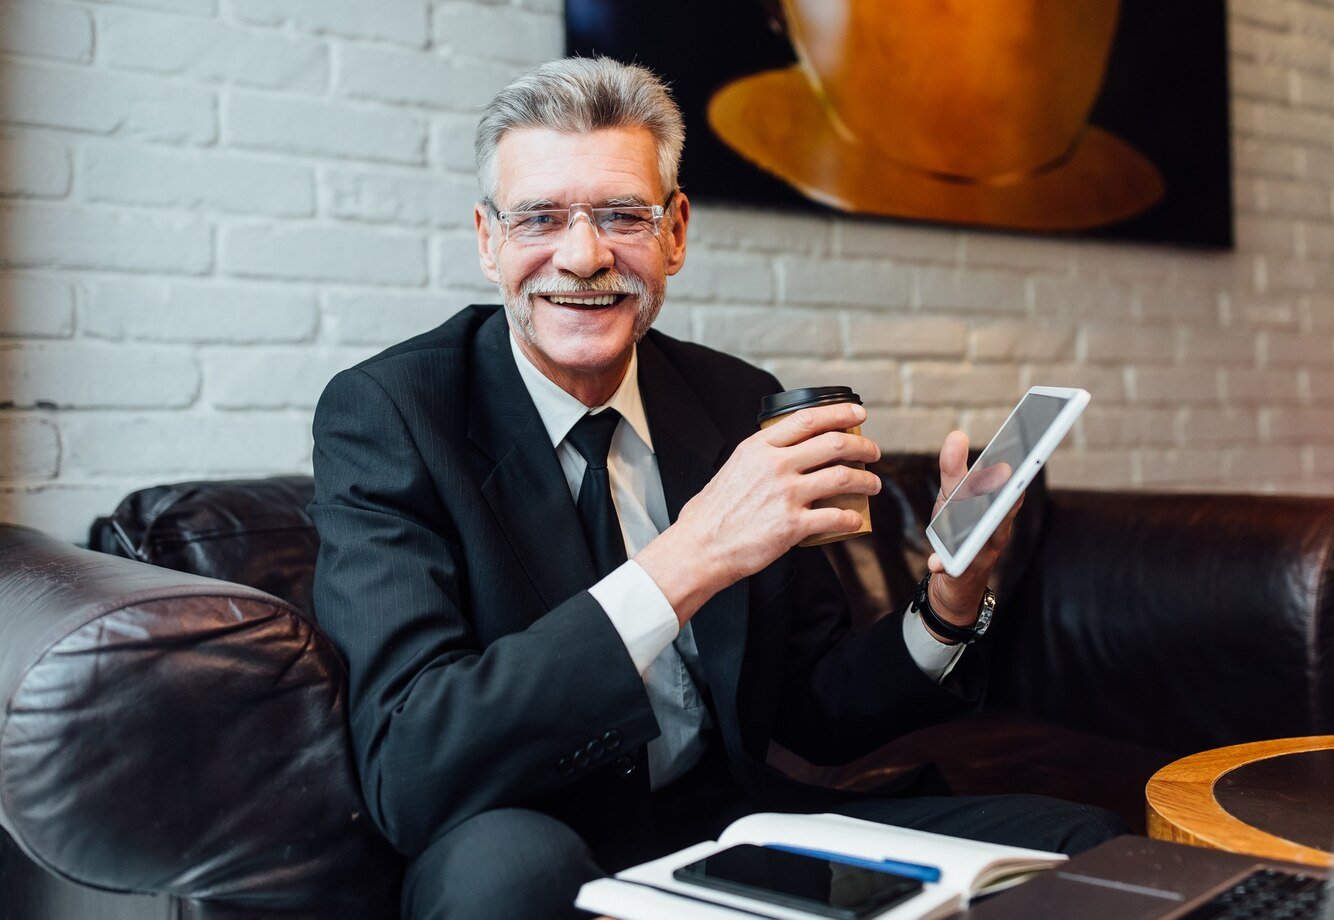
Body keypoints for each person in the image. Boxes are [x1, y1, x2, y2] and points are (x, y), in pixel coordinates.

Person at [309, 56, 1126, 920]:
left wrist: (950, 601)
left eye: (623, 215)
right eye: (540, 218)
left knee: (1090, 847)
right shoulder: (390, 413)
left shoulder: (732, 401)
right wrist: (692, 554)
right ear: (488, 240)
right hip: (523, 833)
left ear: (675, 233)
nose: (583, 256)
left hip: (726, 821)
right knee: (510, 875)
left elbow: (815, 709)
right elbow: (410, 762)